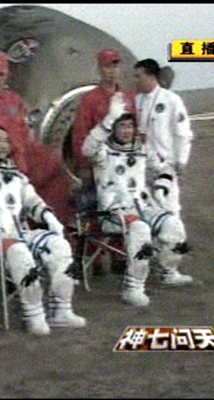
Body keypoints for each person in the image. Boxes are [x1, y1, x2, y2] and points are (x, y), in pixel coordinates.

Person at [0, 88, 86, 335]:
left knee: (59, 247)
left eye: (6, 140)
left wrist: (50, 219)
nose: (3, 144)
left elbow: (34, 202)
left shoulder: (16, 176)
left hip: (18, 235)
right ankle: (33, 314)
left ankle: (61, 310)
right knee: (19, 252)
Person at [0, 50, 73, 298]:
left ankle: (18, 280)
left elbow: (24, 136)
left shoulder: (15, 101)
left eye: (1, 74)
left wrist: (21, 166)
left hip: (12, 169)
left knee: (16, 221)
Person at [81, 93, 193, 307]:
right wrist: (109, 118)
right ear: (114, 129)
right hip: (113, 211)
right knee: (140, 230)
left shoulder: (142, 149)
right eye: (121, 126)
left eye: (130, 126)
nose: (126, 131)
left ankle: (168, 271)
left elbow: (164, 168)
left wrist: (160, 188)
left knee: (173, 224)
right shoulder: (104, 152)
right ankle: (133, 287)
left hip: (142, 206)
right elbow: (87, 149)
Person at [133, 58, 193, 217]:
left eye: (139, 76)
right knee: (146, 209)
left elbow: (182, 133)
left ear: (151, 76)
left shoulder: (171, 100)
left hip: (165, 164)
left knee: (169, 208)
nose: (136, 80)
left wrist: (181, 160)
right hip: (142, 165)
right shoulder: (136, 101)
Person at [72, 48, 136, 187]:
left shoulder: (129, 98)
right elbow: (80, 132)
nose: (112, 71)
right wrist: (83, 165)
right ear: (100, 70)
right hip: (101, 164)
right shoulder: (90, 99)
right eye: (107, 67)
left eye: (115, 66)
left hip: (126, 163)